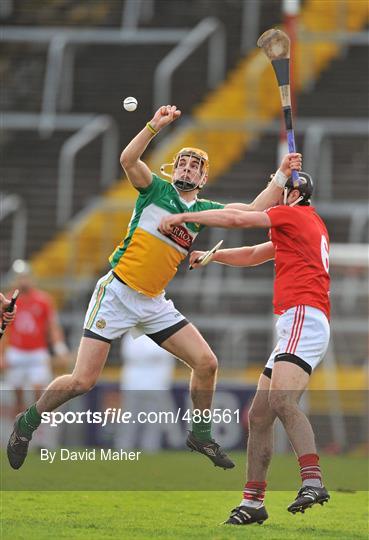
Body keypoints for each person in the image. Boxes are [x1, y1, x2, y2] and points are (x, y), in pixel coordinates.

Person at [7, 103, 301, 472]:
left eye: (195, 166)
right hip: (116, 293)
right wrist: (153, 126)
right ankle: (27, 422)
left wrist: (280, 174)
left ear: (203, 178)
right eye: (182, 163)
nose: (187, 168)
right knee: (82, 380)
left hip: (153, 303)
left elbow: (251, 211)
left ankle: (200, 433)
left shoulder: (202, 211)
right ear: (173, 169)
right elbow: (129, 160)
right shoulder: (154, 189)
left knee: (207, 363)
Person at [159, 169, 330, 523]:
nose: (276, 193)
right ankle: (253, 502)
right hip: (297, 321)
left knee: (282, 400)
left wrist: (186, 215)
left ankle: (312, 479)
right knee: (259, 415)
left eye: (280, 187)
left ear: (292, 194)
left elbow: (238, 217)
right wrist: (215, 256)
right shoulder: (305, 222)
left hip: (303, 316)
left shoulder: (291, 213)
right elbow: (254, 253)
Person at [2, 260, 69, 414]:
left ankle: (36, 426)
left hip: (37, 351)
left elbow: (52, 326)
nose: (23, 281)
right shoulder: (8, 300)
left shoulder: (43, 300)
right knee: (17, 393)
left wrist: (59, 347)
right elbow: (4, 328)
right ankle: (17, 428)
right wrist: (2, 354)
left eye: (25, 277)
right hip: (16, 350)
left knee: (39, 391)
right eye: (20, 277)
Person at [115, 333, 175, 451]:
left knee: (153, 422)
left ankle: (150, 449)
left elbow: (167, 352)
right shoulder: (134, 333)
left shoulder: (164, 332)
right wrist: (154, 355)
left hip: (157, 384)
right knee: (129, 420)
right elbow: (131, 354)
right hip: (133, 383)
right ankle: (123, 449)